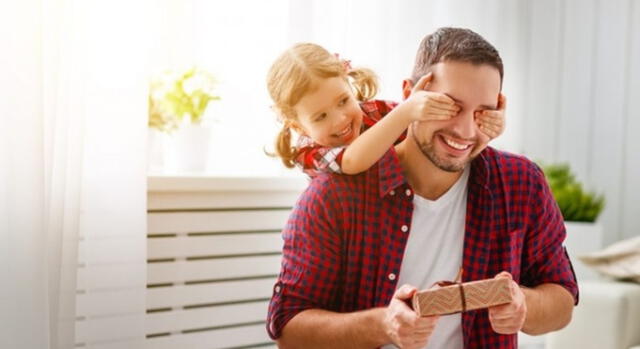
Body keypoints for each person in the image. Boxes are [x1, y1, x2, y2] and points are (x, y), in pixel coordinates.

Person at [267, 27, 578, 349]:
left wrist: (523, 305)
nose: (465, 129)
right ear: (409, 94)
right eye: (449, 106)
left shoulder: (521, 184)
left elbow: (562, 301)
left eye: (482, 112)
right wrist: (382, 325)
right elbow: (291, 333)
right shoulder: (332, 197)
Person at [266, 42, 505, 177]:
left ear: (349, 84)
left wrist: (485, 124)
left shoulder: (375, 112)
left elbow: (425, 132)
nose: (340, 119)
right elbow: (351, 161)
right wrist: (405, 112)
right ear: (298, 126)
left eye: (343, 101)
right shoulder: (308, 152)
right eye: (320, 117)